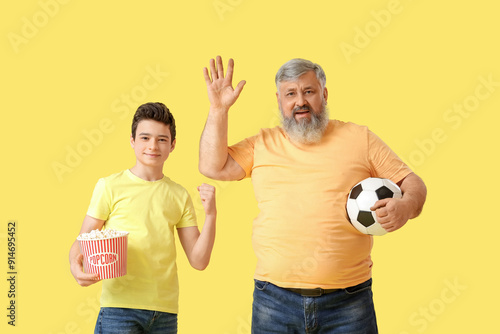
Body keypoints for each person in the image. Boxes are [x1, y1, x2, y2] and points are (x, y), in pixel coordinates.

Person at [199, 56, 427, 333]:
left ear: (324, 93)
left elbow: (412, 181)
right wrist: (218, 110)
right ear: (279, 100)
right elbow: (212, 166)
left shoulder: (359, 138)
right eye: (290, 94)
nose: (300, 102)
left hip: (348, 303)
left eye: (308, 91)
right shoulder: (262, 144)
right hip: (274, 301)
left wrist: (406, 205)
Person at [69, 102, 217, 334]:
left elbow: (199, 261)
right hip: (119, 308)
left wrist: (211, 215)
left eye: (161, 139)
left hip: (165, 313)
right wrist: (74, 265)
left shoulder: (179, 195)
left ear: (173, 145)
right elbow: (83, 239)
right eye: (145, 138)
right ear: (132, 141)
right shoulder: (109, 186)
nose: (153, 146)